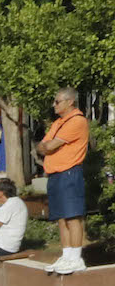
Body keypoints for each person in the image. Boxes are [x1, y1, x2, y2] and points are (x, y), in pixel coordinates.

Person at [38, 86, 90, 275]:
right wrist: (46, 146)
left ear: (70, 102)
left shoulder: (76, 121)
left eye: (57, 101)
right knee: (61, 217)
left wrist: (47, 146)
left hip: (69, 173)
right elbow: (42, 146)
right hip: (55, 174)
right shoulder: (59, 122)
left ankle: (76, 257)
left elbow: (49, 145)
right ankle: (67, 255)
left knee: (72, 216)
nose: (54, 105)